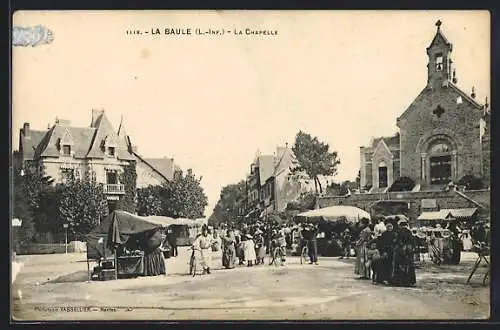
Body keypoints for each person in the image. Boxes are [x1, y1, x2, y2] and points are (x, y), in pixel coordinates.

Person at [392, 220, 417, 287]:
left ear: (400, 225)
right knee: (408, 266)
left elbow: (397, 241)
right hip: (408, 251)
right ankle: (409, 281)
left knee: (399, 265)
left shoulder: (398, 232)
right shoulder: (409, 232)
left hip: (400, 250)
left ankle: (400, 281)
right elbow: (412, 242)